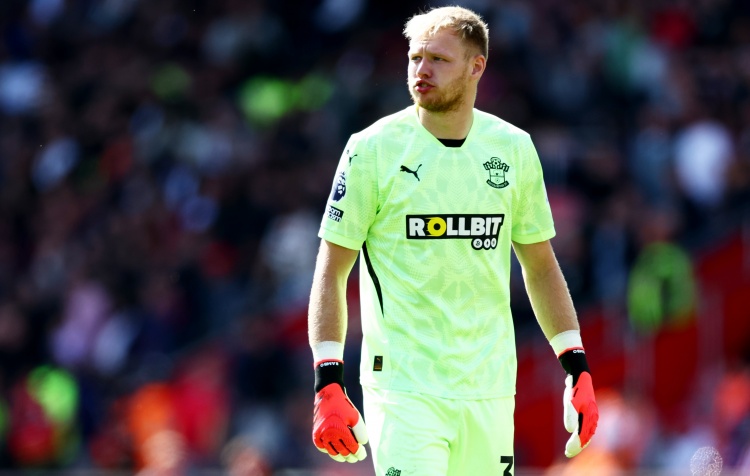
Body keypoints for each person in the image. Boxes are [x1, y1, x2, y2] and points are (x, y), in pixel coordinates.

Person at [308, 6, 598, 474]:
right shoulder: (372, 149)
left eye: (438, 60)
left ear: (476, 66)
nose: (421, 70)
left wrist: (576, 365)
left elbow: (541, 265)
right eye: (415, 58)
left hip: (490, 386)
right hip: (404, 388)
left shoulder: (513, 148)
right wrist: (327, 378)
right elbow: (332, 268)